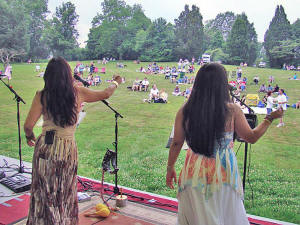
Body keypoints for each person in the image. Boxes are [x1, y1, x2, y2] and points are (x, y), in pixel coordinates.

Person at [166, 63, 283, 225]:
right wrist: (269, 119)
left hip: (193, 172)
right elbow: (252, 137)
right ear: (222, 84)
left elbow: (177, 142)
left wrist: (170, 167)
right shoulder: (232, 110)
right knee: (224, 215)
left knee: (196, 216)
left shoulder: (185, 110)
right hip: (223, 175)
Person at [24, 57, 122, 225]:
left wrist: (29, 136)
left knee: (44, 191)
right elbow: (106, 93)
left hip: (45, 147)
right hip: (66, 148)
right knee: (64, 189)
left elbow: (28, 126)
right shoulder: (78, 92)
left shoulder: (42, 95)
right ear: (67, 75)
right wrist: (116, 82)